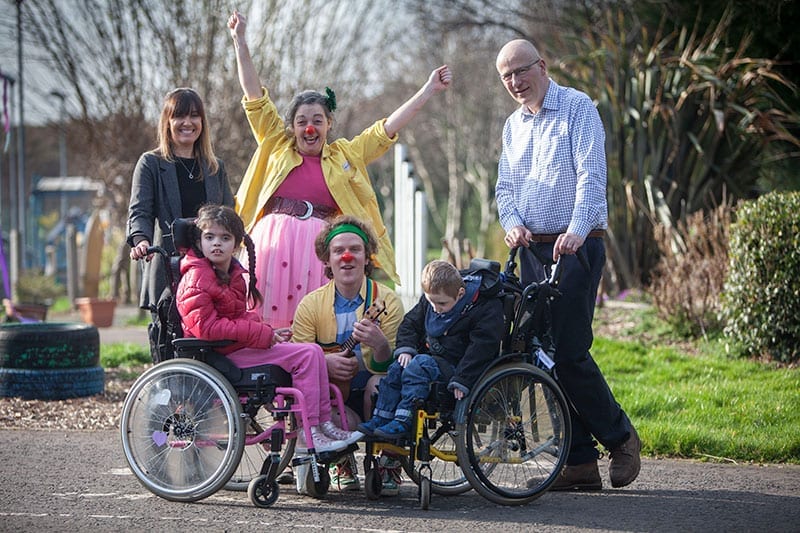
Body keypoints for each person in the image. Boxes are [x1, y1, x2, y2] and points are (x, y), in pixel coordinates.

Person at [227, 10, 452, 328]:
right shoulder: (276, 143)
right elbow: (254, 96)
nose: (309, 128)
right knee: (267, 322)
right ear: (291, 126)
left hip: (319, 253)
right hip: (271, 248)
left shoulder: (346, 154)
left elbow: (385, 129)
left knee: (316, 324)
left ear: (328, 124)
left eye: (317, 121)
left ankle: (319, 371)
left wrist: (427, 91)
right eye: (302, 121)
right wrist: (240, 41)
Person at [494, 39, 641, 490]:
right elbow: (504, 188)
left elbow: (591, 176)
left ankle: (620, 438)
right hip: (533, 250)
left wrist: (576, 230)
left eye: (522, 71)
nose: (516, 82)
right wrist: (512, 223)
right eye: (507, 77)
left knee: (570, 349)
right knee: (541, 354)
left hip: (577, 245)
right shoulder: (513, 125)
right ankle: (578, 462)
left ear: (542, 65)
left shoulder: (578, 108)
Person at [175, 204, 360, 458]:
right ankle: (311, 431)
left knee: (313, 351)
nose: (217, 244)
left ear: (237, 243)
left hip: (236, 346)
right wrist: (260, 335)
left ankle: (323, 423)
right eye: (210, 237)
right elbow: (206, 328)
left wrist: (267, 330)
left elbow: (238, 316)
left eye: (225, 238)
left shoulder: (231, 275)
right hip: (218, 353)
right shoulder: (197, 277)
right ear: (200, 241)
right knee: (306, 355)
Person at [293, 215, 404, 493]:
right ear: (327, 260)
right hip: (337, 397)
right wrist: (324, 363)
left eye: (355, 249)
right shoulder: (311, 305)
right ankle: (340, 462)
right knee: (321, 404)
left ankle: (387, 463)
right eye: (338, 251)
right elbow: (297, 360)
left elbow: (396, 365)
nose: (347, 257)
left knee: (381, 386)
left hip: (372, 390)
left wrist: (380, 346)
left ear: (367, 257)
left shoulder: (386, 300)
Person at [357, 259, 504, 440]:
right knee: (397, 367)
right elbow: (410, 323)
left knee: (420, 364)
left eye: (442, 304)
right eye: (431, 302)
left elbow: (481, 348)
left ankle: (404, 419)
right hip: (430, 360)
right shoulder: (433, 297)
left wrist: (463, 380)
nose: (436, 308)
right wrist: (406, 348)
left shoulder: (484, 308)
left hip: (459, 367)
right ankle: (382, 417)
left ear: (460, 294)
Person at [127, 87, 234, 314]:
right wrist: (141, 241)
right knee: (170, 342)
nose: (188, 122)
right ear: (168, 121)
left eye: (194, 115)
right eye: (179, 116)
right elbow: (140, 211)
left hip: (212, 269)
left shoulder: (216, 167)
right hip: (169, 267)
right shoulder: (151, 163)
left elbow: (229, 217)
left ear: (202, 122)